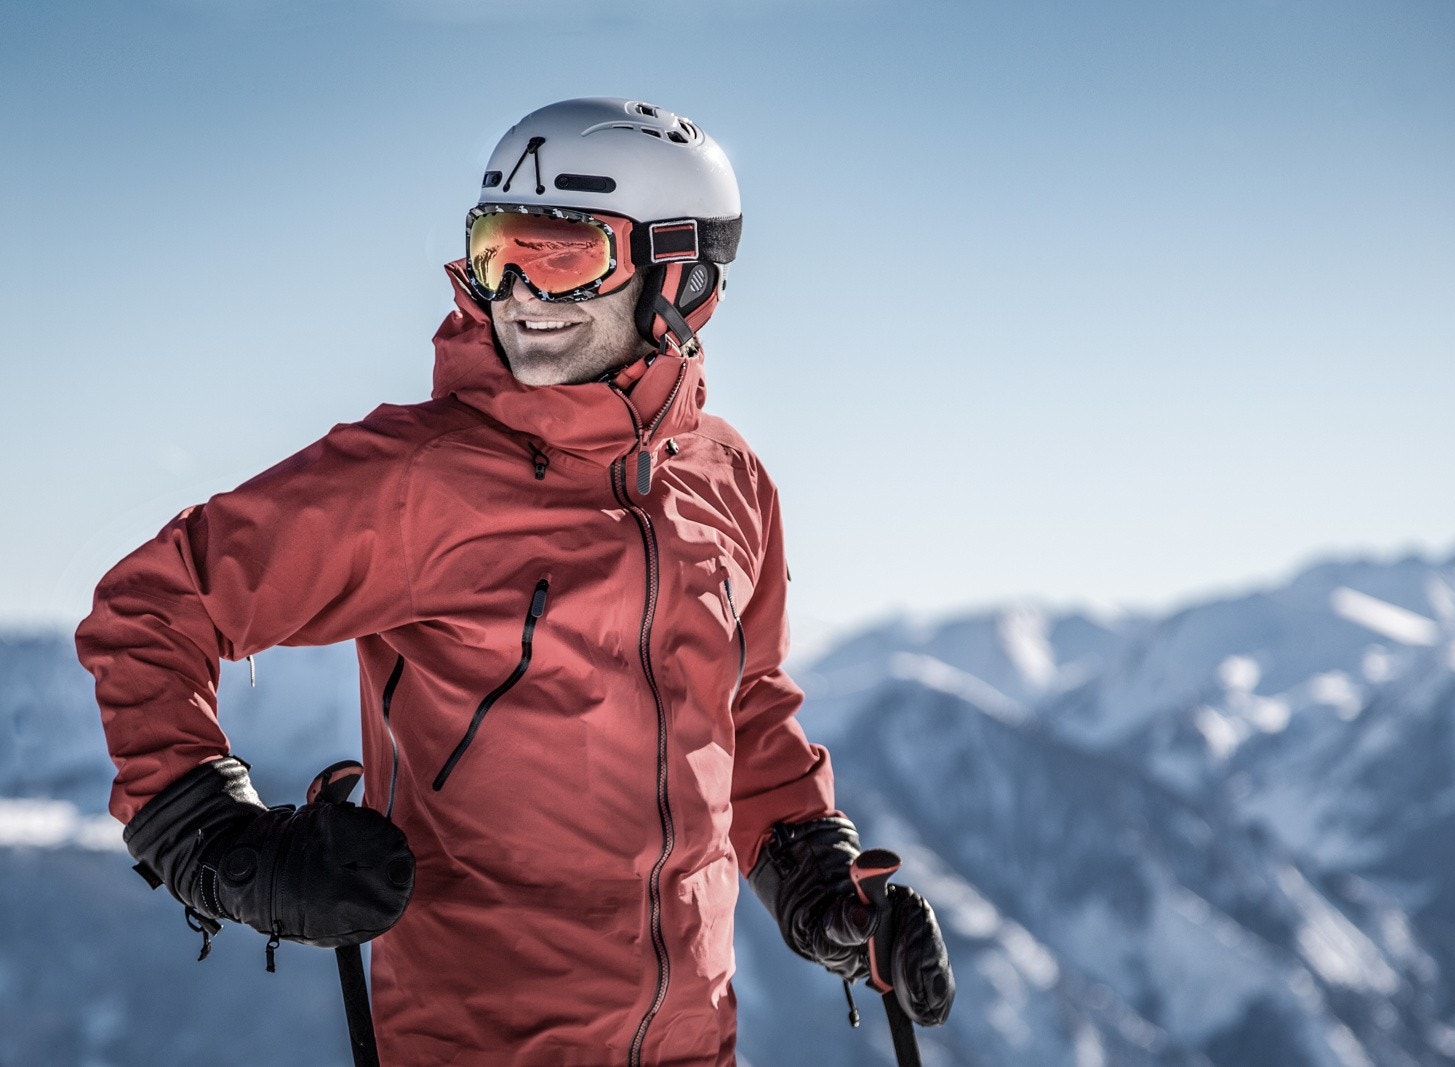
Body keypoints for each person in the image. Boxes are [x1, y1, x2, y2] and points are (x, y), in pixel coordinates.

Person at [75, 97, 954, 1066]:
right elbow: (154, 604)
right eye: (496, 251)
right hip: (479, 1040)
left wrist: (814, 875)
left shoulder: (726, 476)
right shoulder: (416, 473)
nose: (518, 291)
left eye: (563, 256)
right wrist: (202, 826)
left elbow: (743, 705)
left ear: (682, 272)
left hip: (694, 1039)